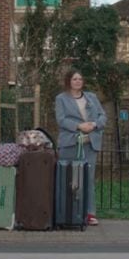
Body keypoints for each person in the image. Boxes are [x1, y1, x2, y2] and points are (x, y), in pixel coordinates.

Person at [54, 69, 106, 226]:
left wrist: (94, 125)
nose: (78, 81)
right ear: (68, 81)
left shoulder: (92, 97)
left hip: (90, 144)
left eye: (80, 79)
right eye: (75, 79)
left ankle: (89, 213)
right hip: (70, 143)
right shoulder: (61, 99)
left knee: (88, 179)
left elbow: (103, 116)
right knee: (67, 178)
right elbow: (61, 120)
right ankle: (65, 212)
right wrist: (79, 126)